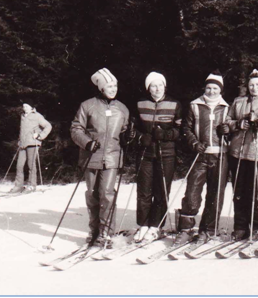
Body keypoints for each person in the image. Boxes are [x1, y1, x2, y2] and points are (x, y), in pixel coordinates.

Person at [71, 68, 130, 247]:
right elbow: (76, 129)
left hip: (112, 157)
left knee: (107, 194)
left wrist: (129, 137)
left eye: (115, 85)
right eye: (109, 86)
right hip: (91, 156)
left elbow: (125, 130)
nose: (113, 89)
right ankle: (94, 230)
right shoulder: (87, 105)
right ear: (101, 88)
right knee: (92, 194)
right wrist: (87, 142)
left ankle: (105, 233)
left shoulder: (122, 108)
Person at [175, 72, 231, 245]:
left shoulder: (226, 107)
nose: (212, 91)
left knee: (215, 194)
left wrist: (227, 131)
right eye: (209, 87)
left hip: (220, 155)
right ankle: (185, 229)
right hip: (200, 155)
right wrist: (194, 143)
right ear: (204, 88)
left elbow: (232, 128)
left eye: (215, 88)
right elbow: (187, 127)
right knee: (192, 193)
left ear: (220, 90)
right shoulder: (195, 105)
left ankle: (208, 230)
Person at [226, 69, 258, 240]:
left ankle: (256, 225)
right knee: (238, 191)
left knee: (252, 191)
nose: (254, 88)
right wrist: (237, 124)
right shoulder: (239, 102)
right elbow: (227, 121)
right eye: (251, 85)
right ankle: (240, 226)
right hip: (237, 152)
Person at [133, 72, 182, 244]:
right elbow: (133, 128)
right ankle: (143, 225)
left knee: (161, 191)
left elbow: (180, 130)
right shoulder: (140, 103)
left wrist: (165, 134)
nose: (157, 88)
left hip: (166, 153)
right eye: (153, 85)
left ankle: (156, 226)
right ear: (148, 88)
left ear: (164, 86)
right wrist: (141, 138)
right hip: (146, 153)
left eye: (160, 85)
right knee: (144, 191)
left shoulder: (174, 104)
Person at [10, 102, 52, 193]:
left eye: (26, 106)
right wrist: (19, 139)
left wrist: (40, 135)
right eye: (23, 106)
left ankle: (31, 186)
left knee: (31, 165)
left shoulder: (37, 116)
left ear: (31, 106)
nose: (24, 108)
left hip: (33, 143)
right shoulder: (23, 116)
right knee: (19, 166)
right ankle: (18, 186)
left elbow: (48, 126)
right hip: (23, 144)